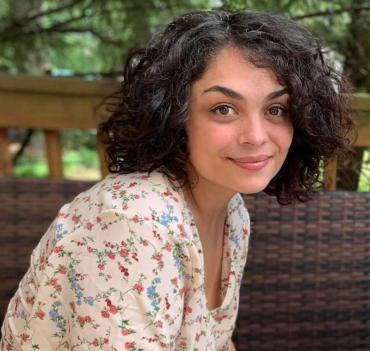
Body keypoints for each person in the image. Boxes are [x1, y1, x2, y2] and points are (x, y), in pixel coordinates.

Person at [1, 9, 355, 351]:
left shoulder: (232, 215)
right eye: (223, 109)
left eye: (275, 109)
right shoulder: (131, 221)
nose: (256, 136)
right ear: (175, 114)